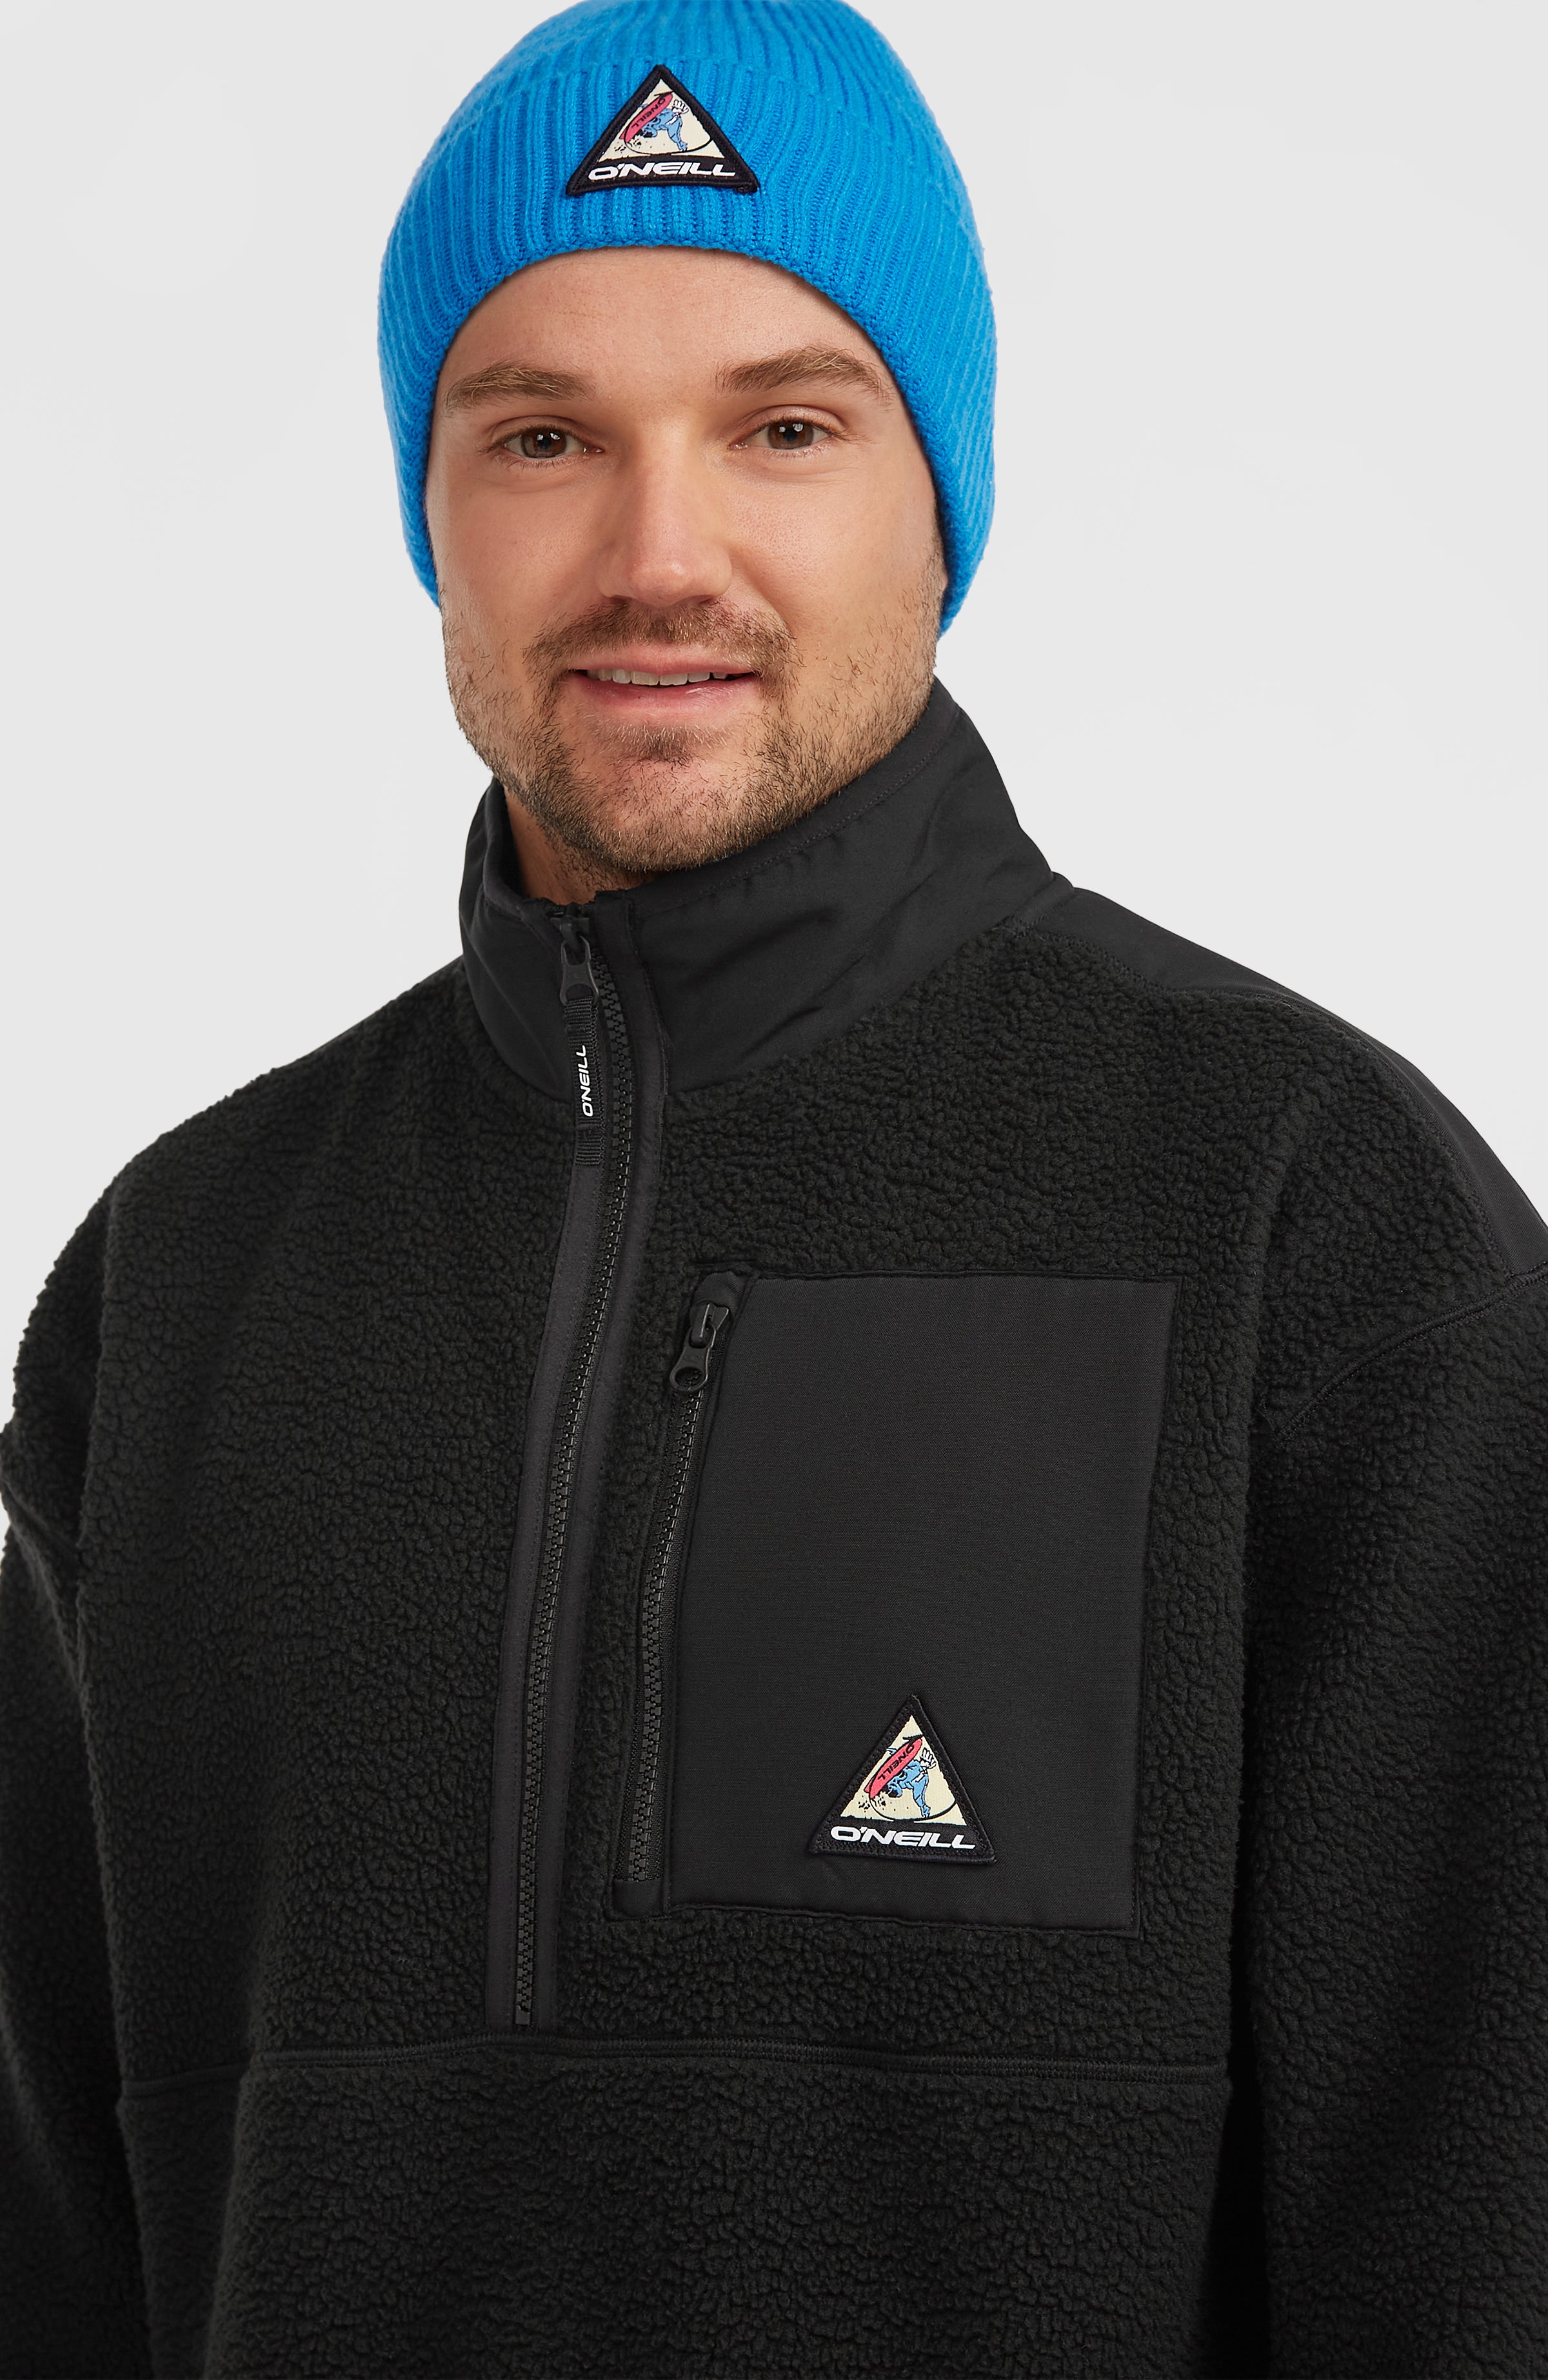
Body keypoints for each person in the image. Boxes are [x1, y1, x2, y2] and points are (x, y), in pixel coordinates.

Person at [3, 1, 1545, 2372]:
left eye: (786, 426)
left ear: (942, 495)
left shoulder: (1319, 1229)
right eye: (542, 436)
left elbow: (1484, 2245)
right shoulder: (179, 1279)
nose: (659, 555)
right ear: (430, 506)